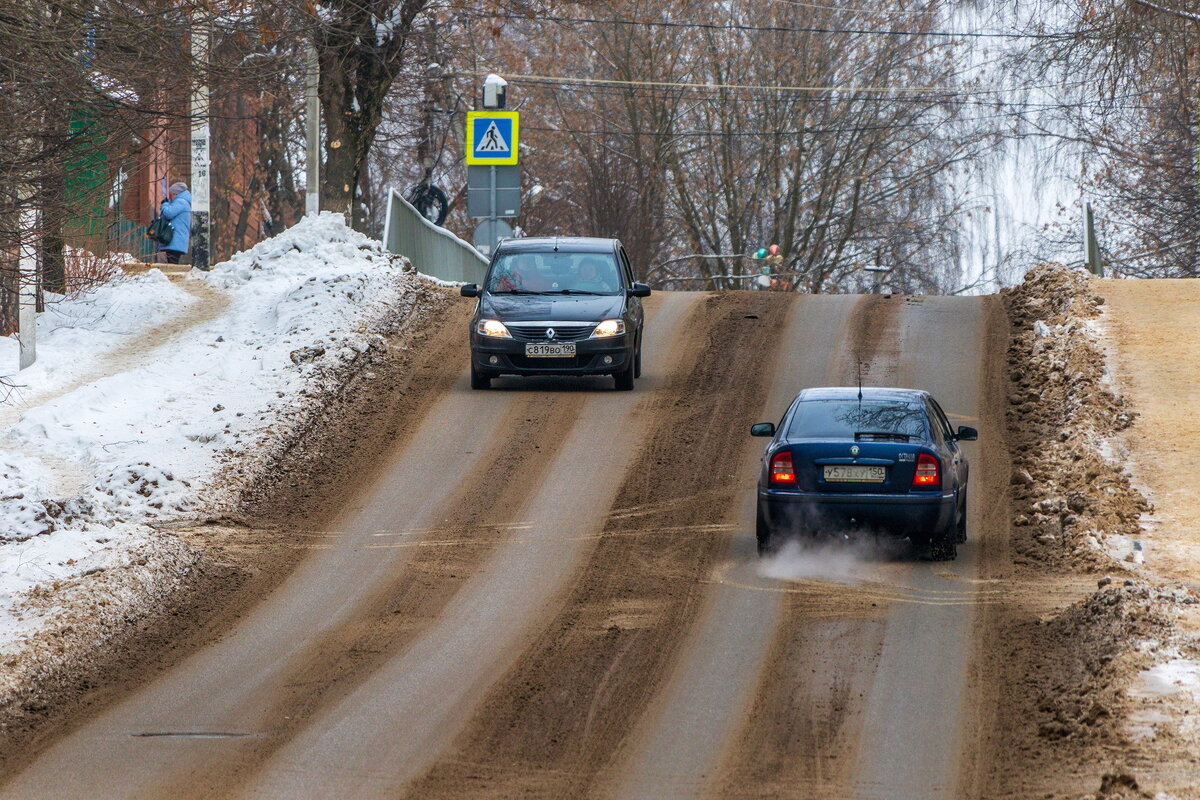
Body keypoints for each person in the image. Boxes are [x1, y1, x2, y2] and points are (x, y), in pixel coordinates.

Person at [157, 181, 192, 264]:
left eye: (171, 194)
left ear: (175, 194)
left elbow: (169, 213)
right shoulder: (184, 202)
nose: (170, 197)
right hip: (177, 238)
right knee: (172, 260)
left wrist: (165, 204)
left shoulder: (181, 202)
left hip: (175, 238)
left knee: (172, 262)